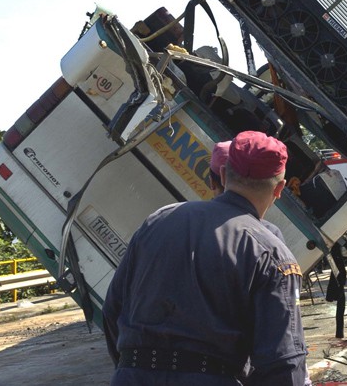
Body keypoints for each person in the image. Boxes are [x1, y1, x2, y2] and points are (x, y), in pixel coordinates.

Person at [103, 131, 308, 386]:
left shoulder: (158, 219)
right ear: (279, 189)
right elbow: (282, 361)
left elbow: (113, 309)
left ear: (222, 175)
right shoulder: (271, 253)